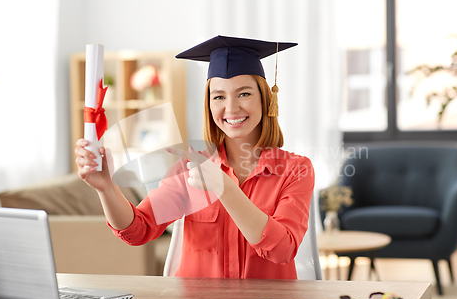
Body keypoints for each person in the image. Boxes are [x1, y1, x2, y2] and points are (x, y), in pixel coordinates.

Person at [75, 35, 314, 279]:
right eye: (219, 96)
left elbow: (283, 250)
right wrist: (106, 188)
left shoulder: (295, 170)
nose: (231, 108)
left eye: (244, 94)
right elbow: (138, 229)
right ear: (209, 105)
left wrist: (225, 188)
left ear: (266, 99)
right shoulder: (191, 168)